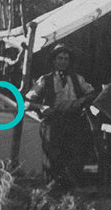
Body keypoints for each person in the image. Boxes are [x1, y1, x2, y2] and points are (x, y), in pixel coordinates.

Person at [26, 43, 98, 187]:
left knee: (75, 157)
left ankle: (70, 192)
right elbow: (27, 101)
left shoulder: (77, 79)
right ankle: (52, 190)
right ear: (54, 60)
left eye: (66, 59)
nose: (63, 61)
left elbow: (92, 93)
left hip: (74, 122)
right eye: (60, 58)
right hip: (53, 123)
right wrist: (42, 107)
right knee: (53, 159)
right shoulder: (45, 80)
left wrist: (81, 101)